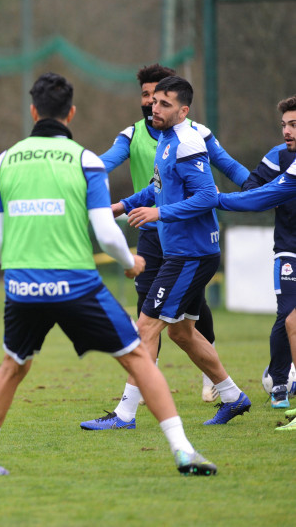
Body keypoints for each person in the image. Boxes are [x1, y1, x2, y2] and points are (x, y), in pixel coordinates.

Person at [0, 72, 215, 477]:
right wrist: (129, 262)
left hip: (22, 285)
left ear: (33, 111)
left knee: (13, 365)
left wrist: (21, 266)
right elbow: (104, 232)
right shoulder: (85, 161)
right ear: (71, 113)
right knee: (137, 358)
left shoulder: (2, 161)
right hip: (77, 285)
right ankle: (183, 451)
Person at [81, 65, 250, 430]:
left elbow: (207, 196)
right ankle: (234, 397)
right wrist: (121, 206)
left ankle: (124, 415)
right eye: (153, 101)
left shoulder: (188, 143)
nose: (154, 109)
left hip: (191, 254)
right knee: (181, 333)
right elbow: (157, 186)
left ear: (183, 110)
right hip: (184, 253)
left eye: (164, 104)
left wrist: (160, 212)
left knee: (145, 328)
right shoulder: (165, 139)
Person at [218, 94, 296, 419]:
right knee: (288, 316)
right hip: (289, 249)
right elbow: (251, 192)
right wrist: (273, 191)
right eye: (284, 125)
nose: (287, 131)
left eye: (293, 125)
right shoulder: (278, 158)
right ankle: (280, 384)